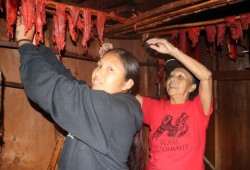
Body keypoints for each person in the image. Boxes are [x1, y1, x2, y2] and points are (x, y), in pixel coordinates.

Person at [16, 16, 143, 170]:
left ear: (127, 83)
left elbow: (52, 88)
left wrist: (25, 44)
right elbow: (67, 79)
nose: (98, 72)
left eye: (110, 69)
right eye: (99, 65)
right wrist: (39, 47)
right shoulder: (110, 105)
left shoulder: (113, 110)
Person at [135, 38, 213, 170]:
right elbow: (125, 89)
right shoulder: (154, 107)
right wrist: (113, 59)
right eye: (171, 76)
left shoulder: (198, 108)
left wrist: (172, 51)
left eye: (180, 76)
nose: (172, 79)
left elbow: (206, 76)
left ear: (192, 87)